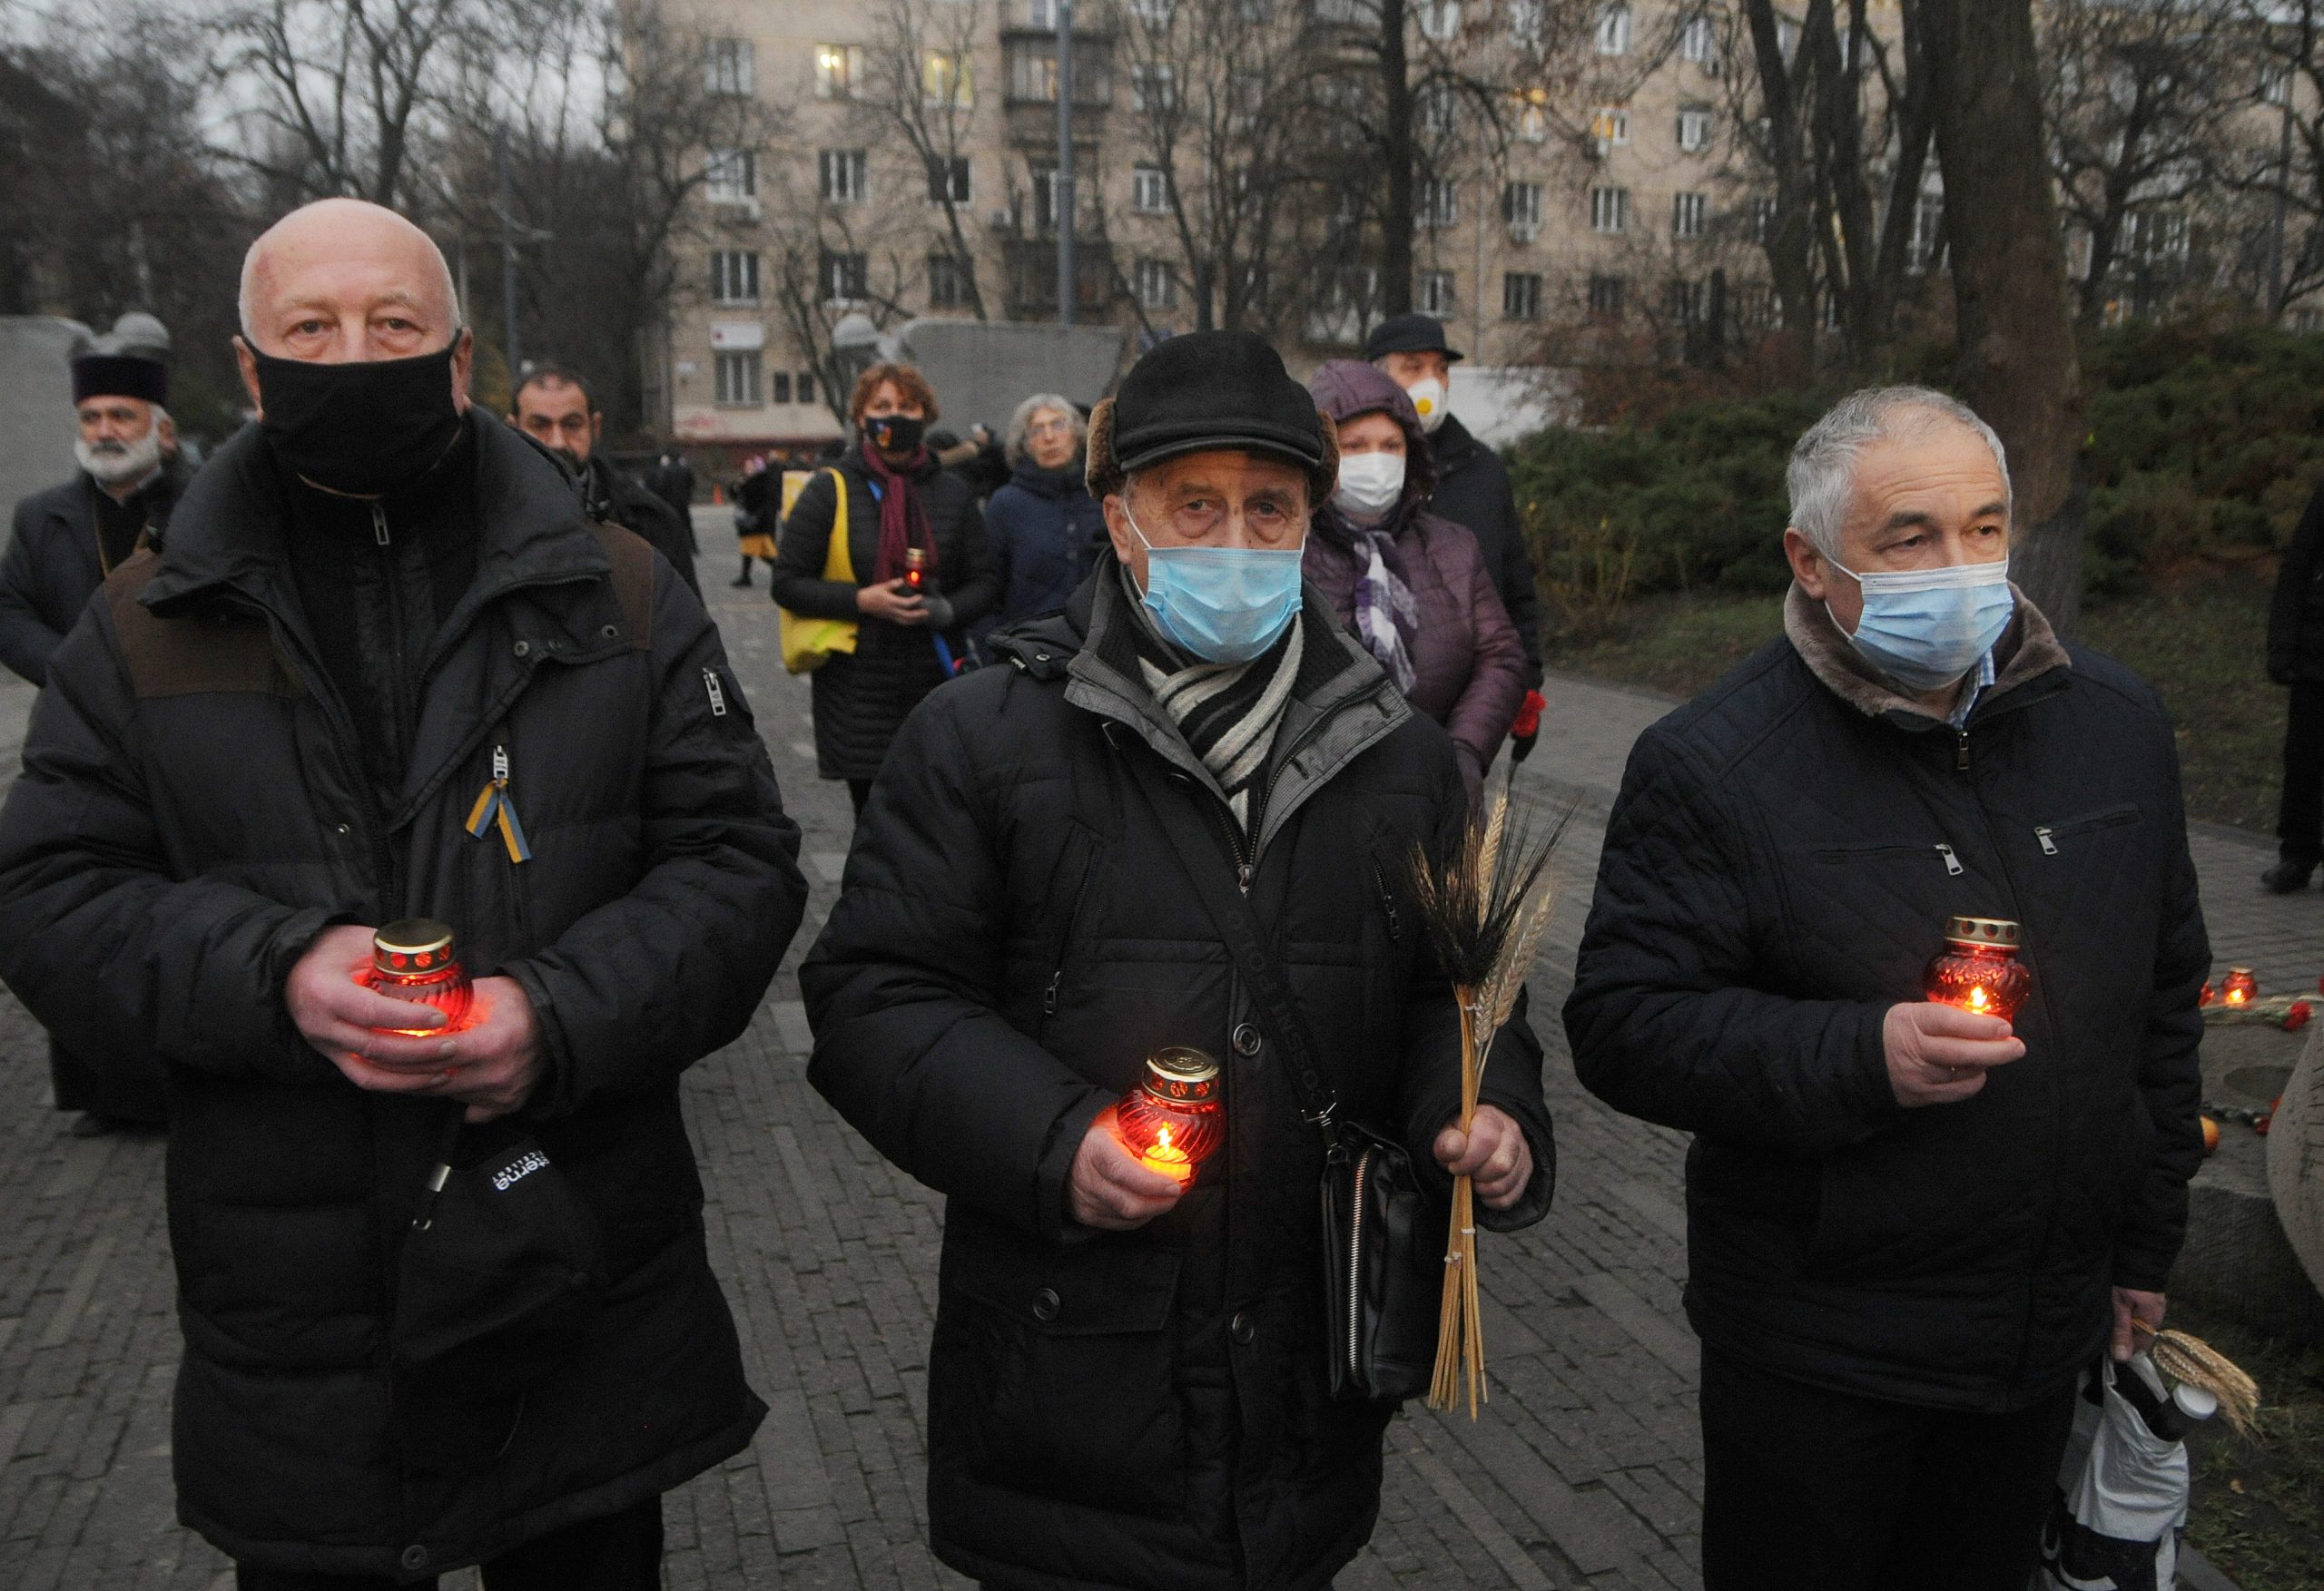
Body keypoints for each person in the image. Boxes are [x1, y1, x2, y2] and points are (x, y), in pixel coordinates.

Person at [0, 198, 807, 1589]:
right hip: (296, 1304)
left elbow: (737, 866)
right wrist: (273, 972)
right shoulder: (142, 619)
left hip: (574, 1264)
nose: (352, 354)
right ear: (250, 368)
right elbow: (50, 897)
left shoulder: (617, 587)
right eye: (311, 328)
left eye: (393, 325)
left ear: (458, 356)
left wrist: (553, 1016)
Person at [802, 329, 1555, 1591]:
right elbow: (874, 996)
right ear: (1118, 514)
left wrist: (1484, 1107)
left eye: (1269, 507)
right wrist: (1053, 1142)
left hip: (1302, 1375)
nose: (1233, 540)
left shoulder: (1403, 758)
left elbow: (1458, 989)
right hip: (1065, 1369)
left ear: (1310, 518)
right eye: (1191, 504)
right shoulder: (983, 735)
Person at [1563, 386, 2207, 1591]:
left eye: (1983, 527)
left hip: (2038, 1328)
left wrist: (2144, 1242)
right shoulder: (1714, 762)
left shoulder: (2115, 726)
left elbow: (2165, 999)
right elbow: (1624, 1024)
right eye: (1909, 537)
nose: (1960, 566)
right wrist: (1860, 1057)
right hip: (1822, 1345)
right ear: (1812, 561)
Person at [0, 321, 192, 1134]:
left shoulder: (205, 504)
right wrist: (74, 669)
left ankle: (180, 1074)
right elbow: (7, 610)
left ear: (161, 427)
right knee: (80, 902)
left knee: (173, 903)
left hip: (181, 730)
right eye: (92, 418)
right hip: (76, 736)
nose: (105, 432)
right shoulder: (43, 516)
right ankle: (100, 1089)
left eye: (121, 415)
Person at [767, 361, 997, 814]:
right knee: (875, 821)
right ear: (860, 418)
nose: (894, 416)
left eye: (907, 406)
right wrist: (860, 601)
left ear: (925, 416)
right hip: (859, 691)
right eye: (882, 406)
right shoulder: (829, 489)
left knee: (940, 817)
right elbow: (787, 583)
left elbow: (986, 581)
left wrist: (947, 610)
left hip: (937, 678)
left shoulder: (952, 493)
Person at [1303, 359, 1526, 809]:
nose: (1377, 461)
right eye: (1356, 445)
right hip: (1320, 802)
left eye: (1391, 446)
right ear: (1323, 455)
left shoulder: (1452, 546)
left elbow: (1501, 656)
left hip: (1440, 798)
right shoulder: (1290, 549)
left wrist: (1462, 753)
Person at [1364, 313, 1546, 763]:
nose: (1432, 382)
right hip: (1371, 721)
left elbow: (1515, 584)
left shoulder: (1482, 470)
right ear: (1377, 376)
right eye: (1414, 367)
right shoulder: (1356, 474)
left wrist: (1527, 686)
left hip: (1466, 717)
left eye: (1441, 369)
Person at [509, 362, 700, 594]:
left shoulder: (651, 521)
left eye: (571, 424)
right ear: (513, 428)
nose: (557, 441)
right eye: (540, 425)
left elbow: (684, 625)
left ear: (595, 427)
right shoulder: (482, 516)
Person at [979, 393, 1107, 638]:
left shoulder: (1102, 496)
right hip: (1031, 649)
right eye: (1036, 431)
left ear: (1077, 434)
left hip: (1100, 644)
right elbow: (988, 590)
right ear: (1024, 445)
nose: (1049, 437)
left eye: (1058, 425)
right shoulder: (1006, 505)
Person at [2264, 476, 2324, 890]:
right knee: (2304, 760)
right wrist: (2282, 648)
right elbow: (2297, 569)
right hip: (2316, 660)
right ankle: (2298, 855)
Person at [731, 455, 777, 588]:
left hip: (756, 522)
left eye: (750, 466)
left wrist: (743, 487)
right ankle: (745, 576)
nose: (747, 469)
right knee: (755, 551)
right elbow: (737, 497)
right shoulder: (749, 481)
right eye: (746, 466)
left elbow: (753, 501)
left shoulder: (759, 482)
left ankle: (746, 577)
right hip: (752, 523)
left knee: (762, 553)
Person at [646, 449, 694, 518]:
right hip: (683, 499)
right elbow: (691, 483)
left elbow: (661, 485)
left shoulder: (665, 471)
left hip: (669, 500)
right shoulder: (685, 469)